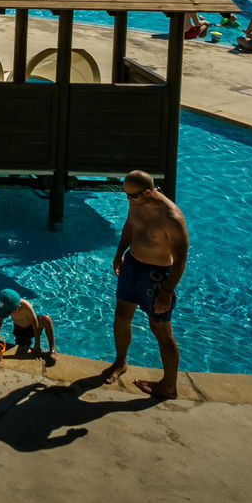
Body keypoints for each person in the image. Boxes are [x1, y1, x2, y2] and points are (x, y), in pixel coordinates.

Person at [100, 170, 187, 398]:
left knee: (160, 330)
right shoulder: (137, 201)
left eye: (132, 196)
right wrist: (119, 253)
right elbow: (130, 225)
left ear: (148, 191)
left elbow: (180, 260)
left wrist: (167, 291)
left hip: (157, 276)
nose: (128, 200)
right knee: (121, 316)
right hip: (132, 266)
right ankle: (120, 363)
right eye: (126, 195)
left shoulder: (171, 217)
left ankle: (169, 386)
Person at [0, 289, 57, 366]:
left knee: (46, 319)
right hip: (21, 332)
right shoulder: (6, 306)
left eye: (8, 313)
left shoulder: (26, 306)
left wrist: (37, 345)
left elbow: (35, 323)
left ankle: (52, 349)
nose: (6, 314)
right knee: (21, 350)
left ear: (18, 308)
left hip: (33, 326)